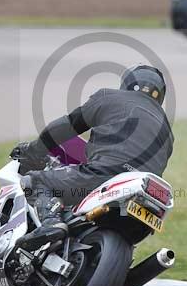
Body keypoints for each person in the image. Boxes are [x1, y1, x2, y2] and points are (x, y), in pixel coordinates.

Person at [10, 64, 174, 251]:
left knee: (34, 181)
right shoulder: (168, 131)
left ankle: (50, 223)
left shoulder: (109, 97)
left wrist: (34, 150)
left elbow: (65, 126)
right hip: (144, 197)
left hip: (105, 177)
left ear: (127, 83)